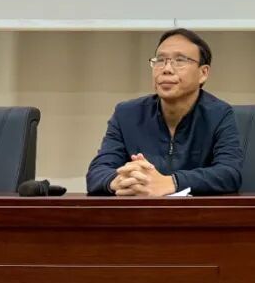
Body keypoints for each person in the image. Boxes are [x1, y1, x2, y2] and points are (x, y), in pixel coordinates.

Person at [86, 28, 243, 196]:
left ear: (203, 73)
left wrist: (172, 182)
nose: (166, 69)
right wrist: (119, 180)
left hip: (196, 211)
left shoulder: (219, 114)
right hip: (141, 210)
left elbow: (229, 173)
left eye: (180, 60)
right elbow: (97, 173)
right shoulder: (127, 114)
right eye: (160, 60)